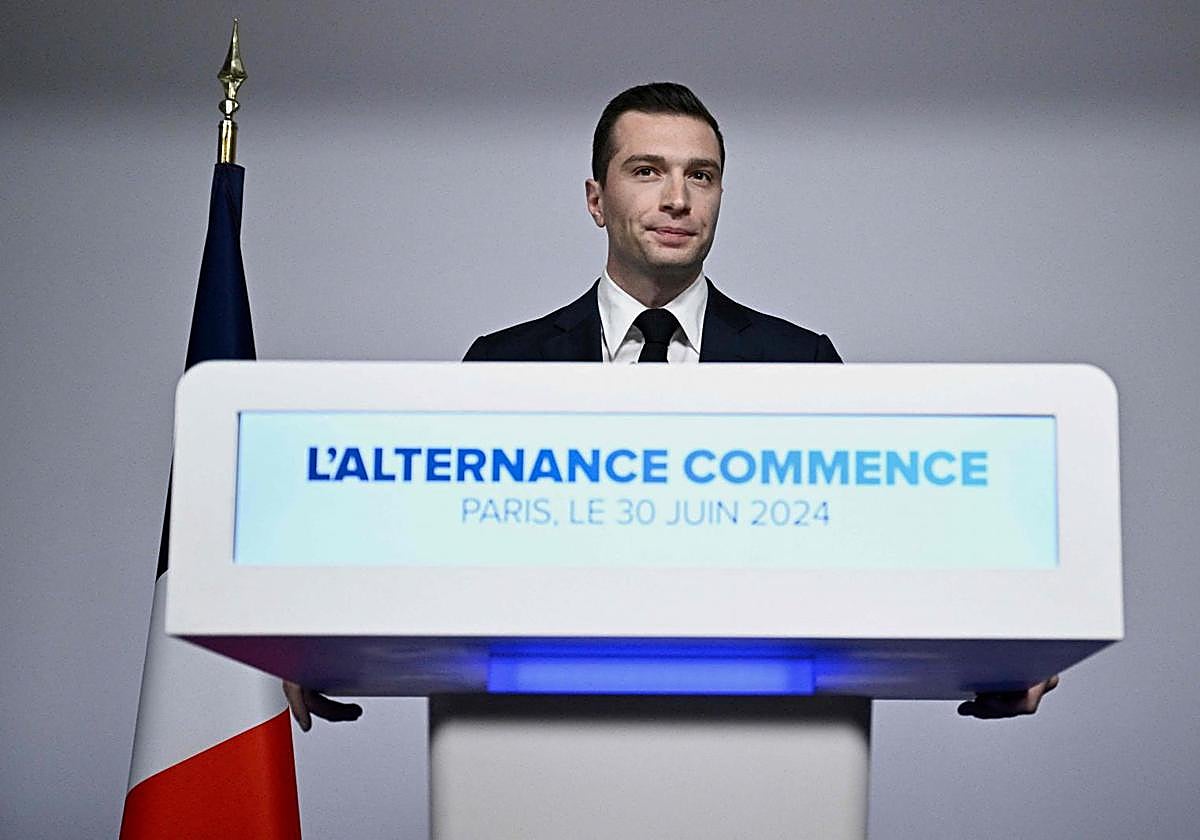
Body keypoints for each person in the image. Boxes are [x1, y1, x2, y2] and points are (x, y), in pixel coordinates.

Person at [285, 82, 1058, 729]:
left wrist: (1000, 650)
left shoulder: (801, 363)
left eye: (702, 175)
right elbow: (436, 554)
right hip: (535, 738)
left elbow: (880, 550)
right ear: (596, 199)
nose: (678, 198)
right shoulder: (502, 364)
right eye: (647, 171)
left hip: (765, 742)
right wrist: (331, 639)